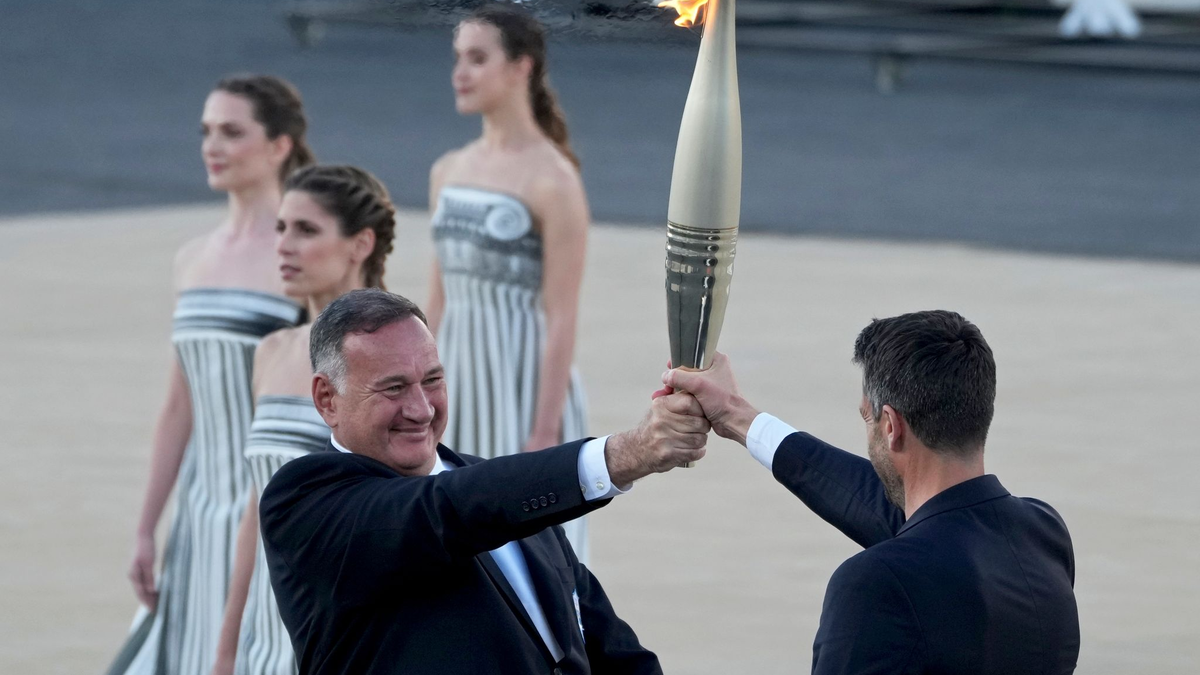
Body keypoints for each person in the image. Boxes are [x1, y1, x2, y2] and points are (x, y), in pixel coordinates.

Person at [260, 289, 708, 674]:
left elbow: (612, 650)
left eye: (432, 380)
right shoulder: (304, 503)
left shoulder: (506, 493)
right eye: (393, 389)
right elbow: (441, 511)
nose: (421, 409)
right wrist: (629, 453)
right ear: (327, 399)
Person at [663, 310, 1081, 674]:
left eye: (867, 418)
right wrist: (737, 414)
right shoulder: (1043, 535)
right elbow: (898, 511)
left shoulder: (876, 584)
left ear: (891, 427)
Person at [107, 75, 314, 675]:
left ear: (279, 145)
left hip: (269, 508)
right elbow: (180, 404)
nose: (212, 146)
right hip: (197, 516)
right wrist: (147, 527)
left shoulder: (299, 254)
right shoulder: (192, 258)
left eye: (231, 131)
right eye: (205, 132)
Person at [209, 166, 398, 675]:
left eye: (306, 230)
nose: (284, 246)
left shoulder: (394, 352)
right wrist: (227, 646)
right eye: (281, 228)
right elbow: (259, 508)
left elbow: (410, 505)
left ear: (360, 244)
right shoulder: (271, 352)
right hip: (268, 632)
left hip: (347, 628)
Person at [425, 4, 593, 560]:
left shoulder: (554, 178)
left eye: (477, 58)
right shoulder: (448, 169)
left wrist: (544, 433)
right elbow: (437, 295)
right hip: (455, 375)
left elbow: (561, 312)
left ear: (521, 67)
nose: (460, 73)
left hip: (521, 381)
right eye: (456, 59)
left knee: (526, 552)